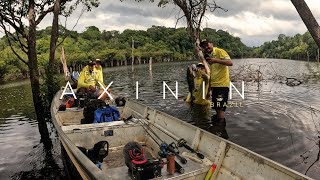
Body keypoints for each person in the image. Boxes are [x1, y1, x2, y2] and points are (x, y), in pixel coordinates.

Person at [200, 39, 233, 125]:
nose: (206, 47)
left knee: (220, 108)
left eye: (207, 44)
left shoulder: (219, 51)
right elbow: (212, 75)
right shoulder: (210, 57)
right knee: (216, 108)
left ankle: (221, 129)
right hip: (215, 86)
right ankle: (218, 126)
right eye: (204, 46)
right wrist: (208, 90)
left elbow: (230, 62)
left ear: (212, 43)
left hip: (222, 85)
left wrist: (215, 60)